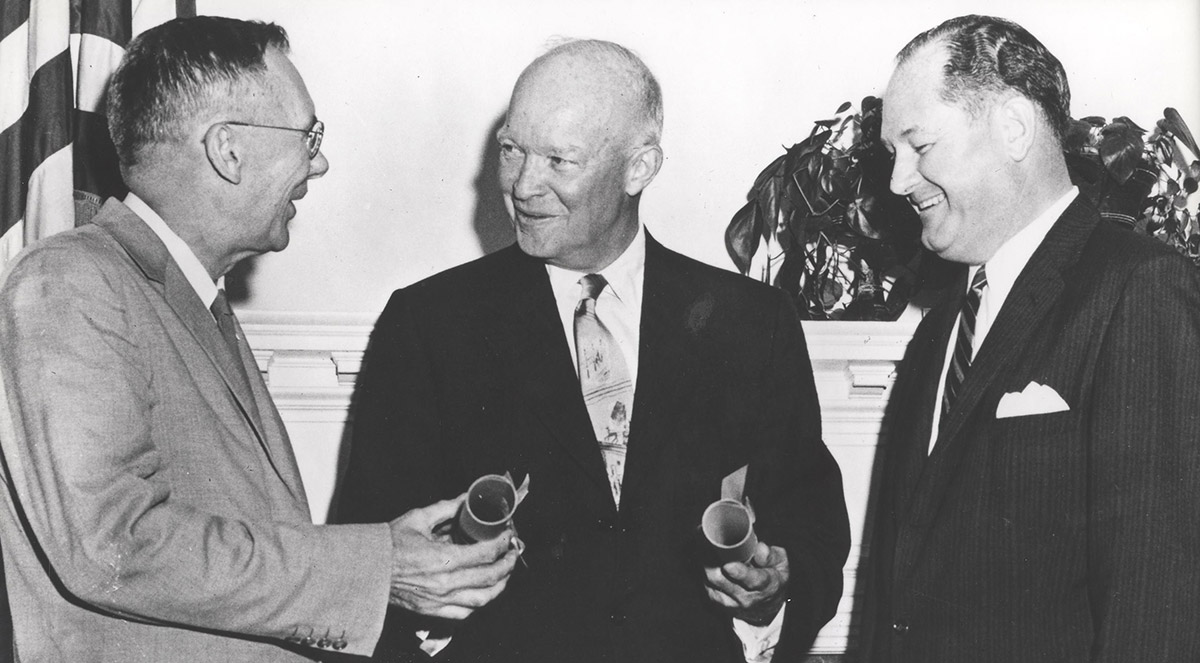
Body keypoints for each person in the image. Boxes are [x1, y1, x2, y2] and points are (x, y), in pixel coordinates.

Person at [0, 16, 517, 662]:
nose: (320, 161)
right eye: (308, 135)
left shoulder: (196, 300)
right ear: (228, 150)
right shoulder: (69, 281)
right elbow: (116, 543)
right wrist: (379, 564)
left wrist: (392, 561)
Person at [337, 39, 850, 663]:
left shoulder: (752, 322)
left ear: (639, 168)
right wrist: (434, 619)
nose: (524, 185)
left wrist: (770, 596)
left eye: (559, 160)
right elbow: (368, 557)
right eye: (511, 150)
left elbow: (812, 528)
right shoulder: (427, 324)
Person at [858, 14, 1200, 662]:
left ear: (1013, 127)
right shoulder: (939, 335)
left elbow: (1160, 609)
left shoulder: (1141, 290)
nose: (898, 181)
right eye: (891, 155)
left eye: (919, 145)